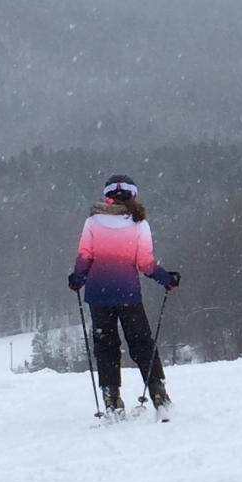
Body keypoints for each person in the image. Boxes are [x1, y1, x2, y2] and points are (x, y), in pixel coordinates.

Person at [68, 175, 179, 419]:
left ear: (107, 196)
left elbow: (85, 257)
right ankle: (158, 393)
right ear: (133, 195)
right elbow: (146, 264)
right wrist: (166, 279)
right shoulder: (139, 224)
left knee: (106, 347)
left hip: (98, 295)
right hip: (128, 294)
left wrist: (77, 280)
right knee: (141, 343)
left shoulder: (93, 223)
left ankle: (112, 399)